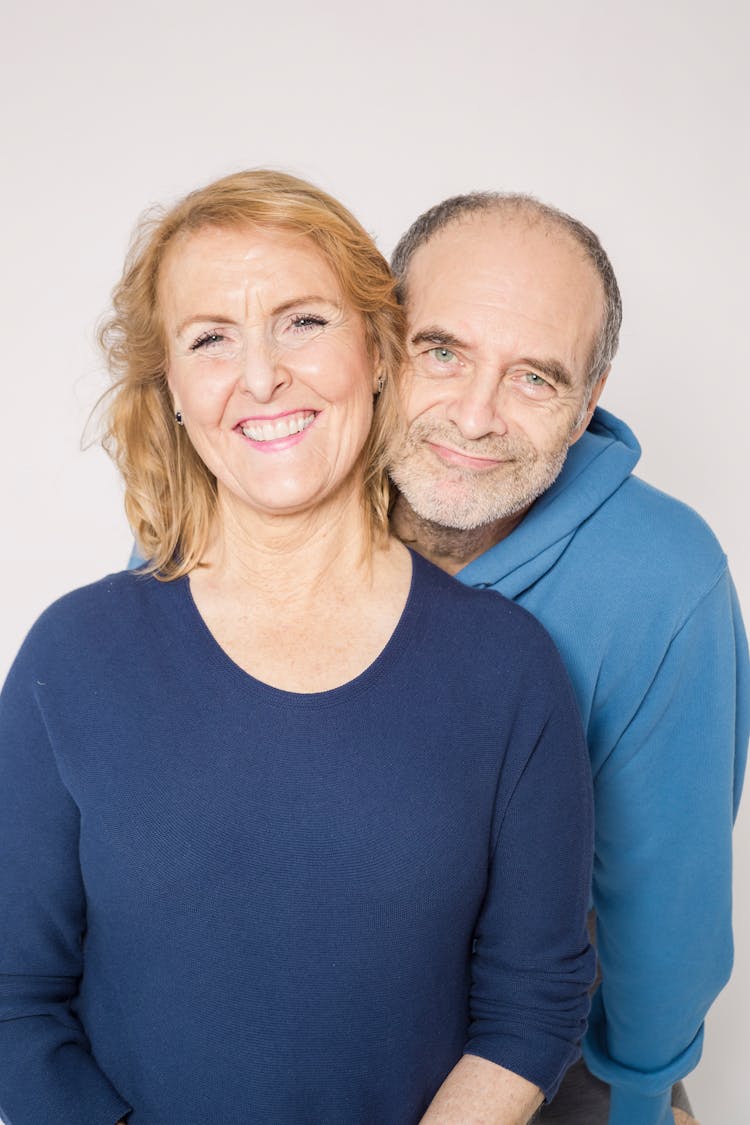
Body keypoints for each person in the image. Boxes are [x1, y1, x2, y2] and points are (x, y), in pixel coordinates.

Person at [0, 171, 596, 1125]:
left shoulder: (509, 671)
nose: (262, 375)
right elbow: (12, 997)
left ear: (378, 351)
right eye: (211, 339)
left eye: (303, 322)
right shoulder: (71, 659)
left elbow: (532, 1004)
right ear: (174, 393)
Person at [387, 192, 750, 1125]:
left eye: (535, 379)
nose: (474, 417)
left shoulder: (663, 577)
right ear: (378, 343)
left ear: (588, 402)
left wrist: (632, 1098)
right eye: (441, 350)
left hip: (552, 1065)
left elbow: (666, 894)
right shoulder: (269, 499)